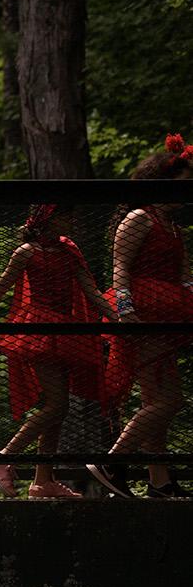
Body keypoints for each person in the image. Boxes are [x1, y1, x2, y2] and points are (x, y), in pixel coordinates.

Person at [0, 204, 112, 498]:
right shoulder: (27, 252)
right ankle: (5, 456)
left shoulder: (69, 250)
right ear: (50, 220)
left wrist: (118, 319)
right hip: (38, 330)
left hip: (66, 332)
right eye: (66, 216)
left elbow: (91, 291)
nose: (71, 220)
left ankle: (43, 481)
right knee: (57, 404)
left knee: (59, 407)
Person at [88, 134, 193, 499]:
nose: (184, 195)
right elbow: (120, 266)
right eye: (180, 187)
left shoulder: (174, 227)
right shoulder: (139, 218)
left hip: (168, 316)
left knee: (155, 402)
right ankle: (112, 461)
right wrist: (126, 307)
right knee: (169, 401)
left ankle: (159, 481)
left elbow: (184, 277)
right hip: (142, 314)